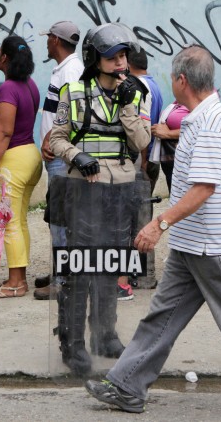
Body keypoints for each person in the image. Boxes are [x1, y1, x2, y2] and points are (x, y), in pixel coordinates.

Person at [85, 45, 221, 418]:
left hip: (211, 247)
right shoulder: (207, 117)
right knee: (161, 316)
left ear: (181, 80)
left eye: (172, 76)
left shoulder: (207, 122)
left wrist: (159, 223)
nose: (170, 81)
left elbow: (204, 188)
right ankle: (127, 385)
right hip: (194, 245)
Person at [49, 22, 151, 375]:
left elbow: (141, 143)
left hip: (120, 191)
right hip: (84, 189)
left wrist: (126, 108)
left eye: (123, 55)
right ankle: (72, 341)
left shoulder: (134, 94)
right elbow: (55, 139)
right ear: (96, 59)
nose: (121, 62)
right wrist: (76, 156)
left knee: (111, 265)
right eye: (113, 57)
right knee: (80, 267)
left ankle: (105, 335)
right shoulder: (73, 92)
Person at [0, 36, 42, 298]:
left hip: (13, 161)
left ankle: (16, 283)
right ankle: (17, 278)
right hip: (30, 156)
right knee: (20, 222)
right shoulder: (30, 84)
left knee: (9, 224)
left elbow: (4, 131)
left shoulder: (7, 89)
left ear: (4, 58)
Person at [34, 20, 84, 301]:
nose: (46, 41)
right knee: (57, 218)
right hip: (57, 155)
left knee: (61, 220)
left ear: (55, 39)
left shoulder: (72, 69)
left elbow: (73, 109)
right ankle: (61, 273)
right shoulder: (66, 68)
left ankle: (65, 279)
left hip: (60, 156)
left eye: (48, 37)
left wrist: (51, 136)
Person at [127, 47, 162, 291]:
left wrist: (143, 159)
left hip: (144, 158)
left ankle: (145, 275)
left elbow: (143, 126)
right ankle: (141, 273)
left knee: (140, 219)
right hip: (150, 157)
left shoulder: (139, 87)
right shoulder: (154, 84)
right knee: (143, 215)